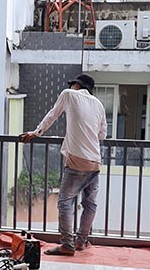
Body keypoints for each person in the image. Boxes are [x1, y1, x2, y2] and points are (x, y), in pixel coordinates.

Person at [21, 73, 107, 256]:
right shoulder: (98, 104)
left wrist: (36, 133)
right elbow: (102, 135)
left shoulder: (68, 94)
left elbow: (52, 115)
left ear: (76, 85)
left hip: (77, 160)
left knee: (65, 202)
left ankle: (67, 244)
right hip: (95, 161)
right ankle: (81, 242)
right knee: (90, 204)